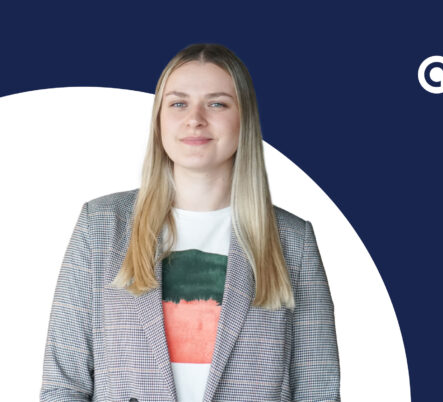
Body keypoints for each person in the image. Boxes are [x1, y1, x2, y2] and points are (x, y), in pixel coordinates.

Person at [40, 43, 340, 402]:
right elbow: (64, 384)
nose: (194, 118)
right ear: (159, 119)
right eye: (178, 103)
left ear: (244, 119)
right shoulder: (101, 226)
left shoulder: (293, 241)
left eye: (217, 103)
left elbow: (318, 391)